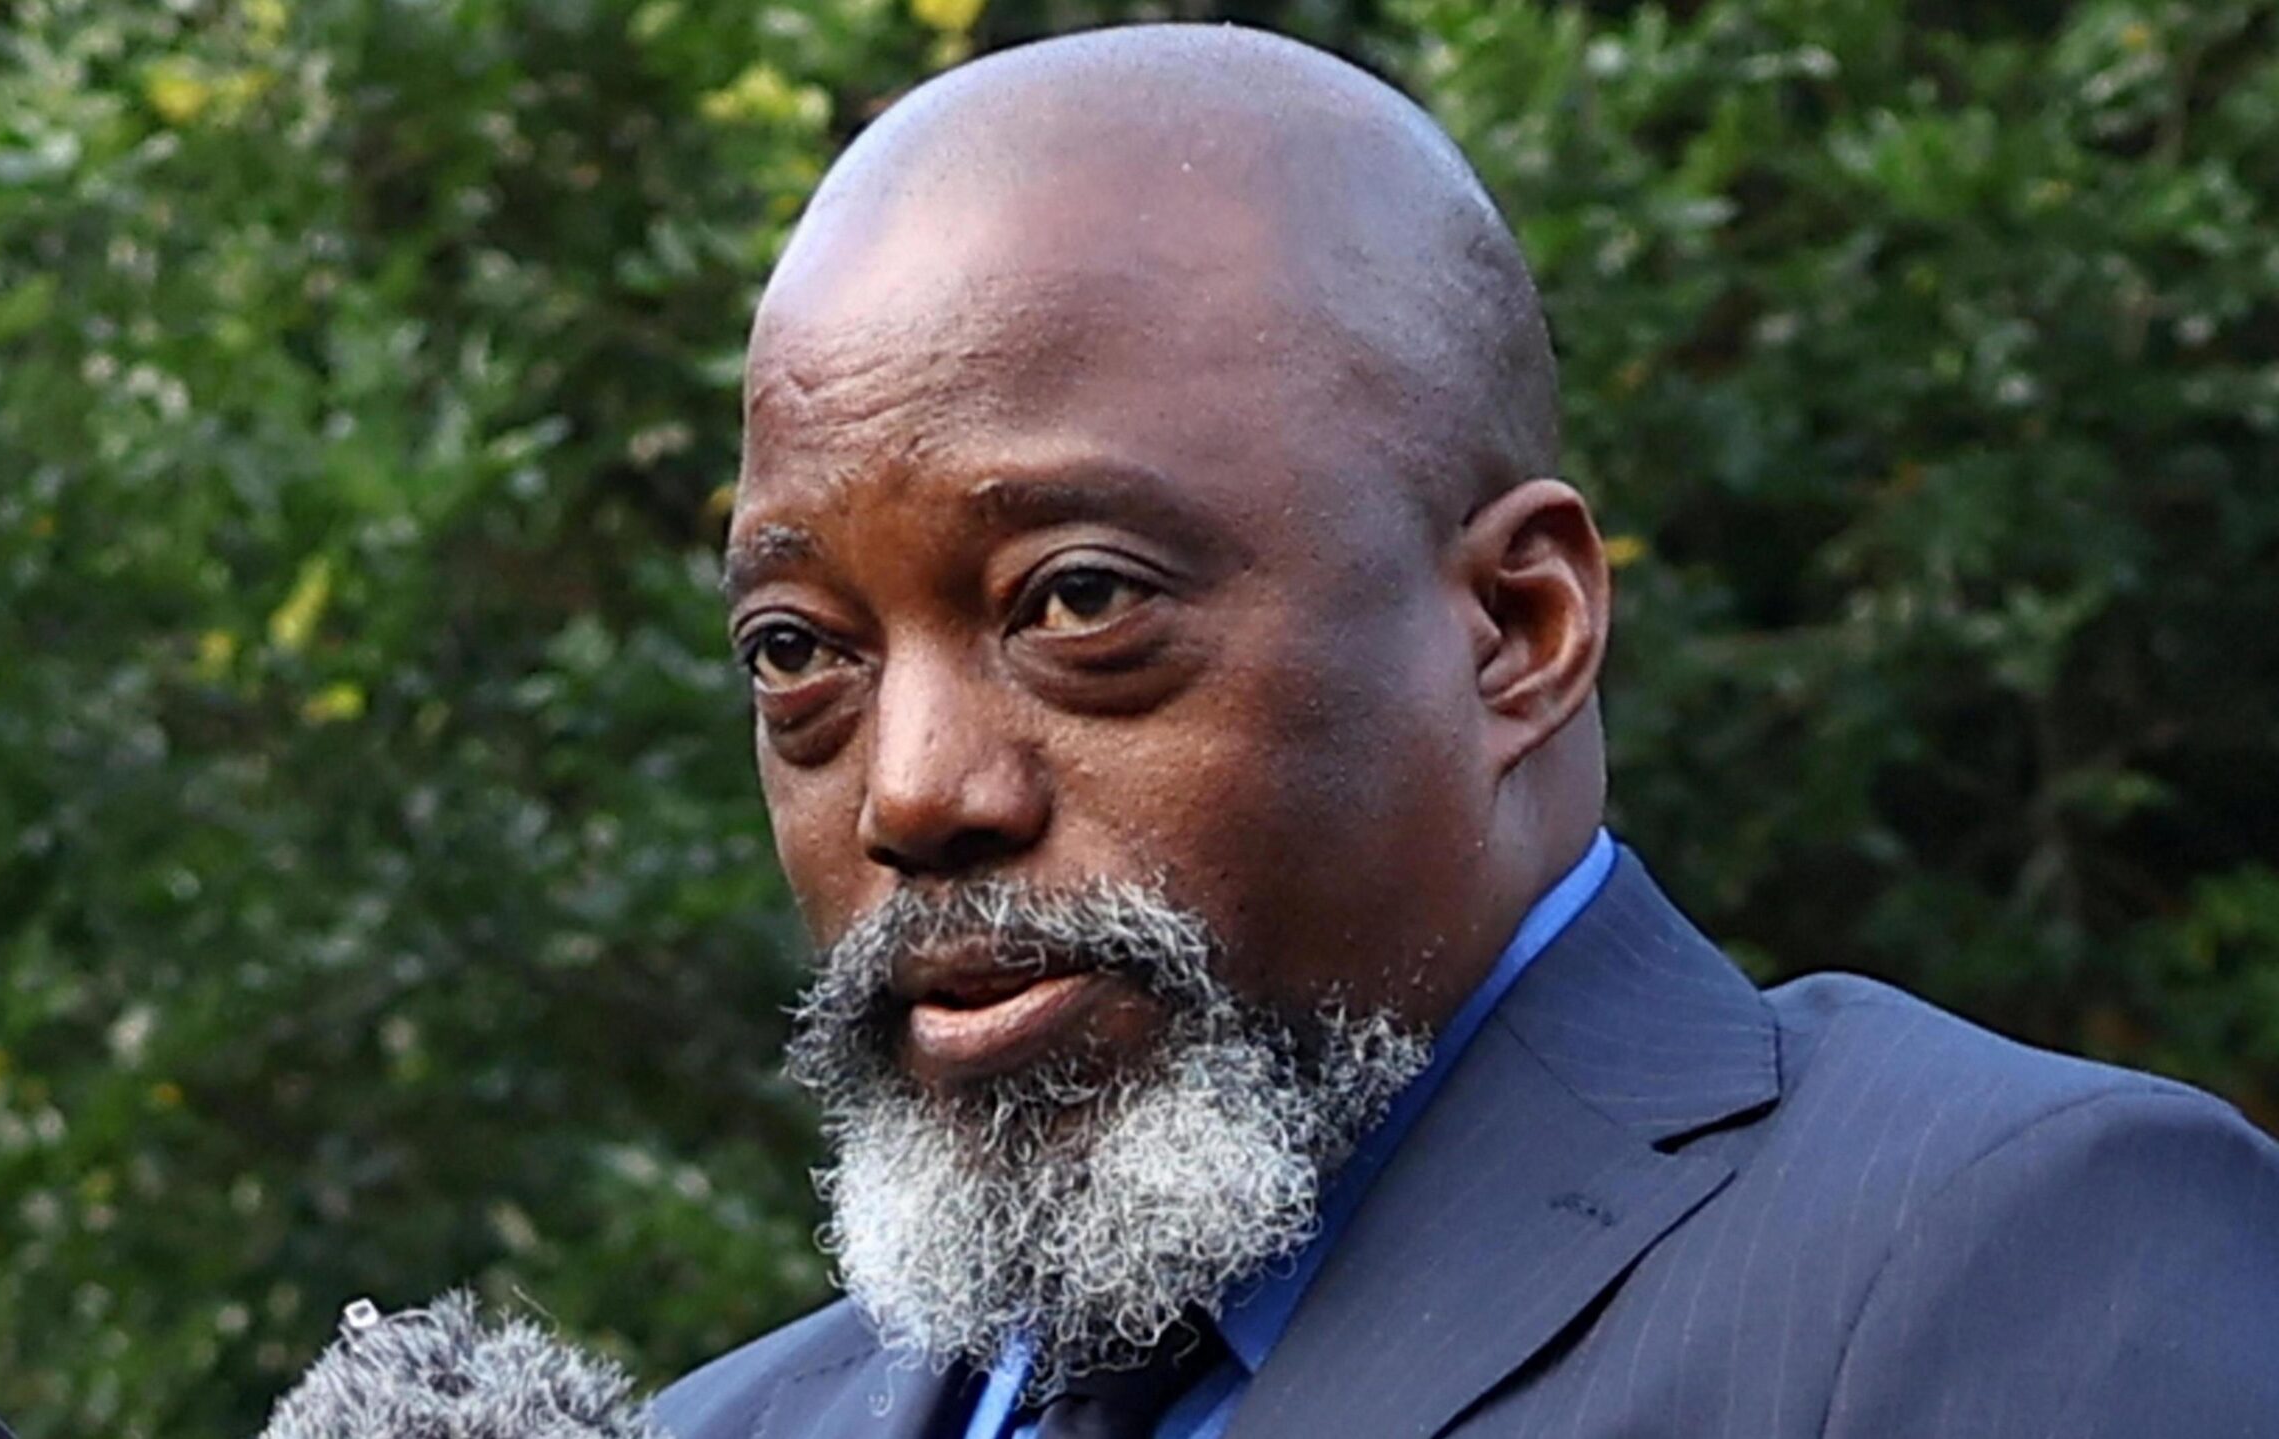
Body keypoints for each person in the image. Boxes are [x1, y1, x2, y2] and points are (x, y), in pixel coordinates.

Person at [654, 23, 2279, 1439]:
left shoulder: (2005, 1255)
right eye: (798, 650)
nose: (915, 791)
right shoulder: (710, 1427)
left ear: (1516, 629)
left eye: (1078, 602)